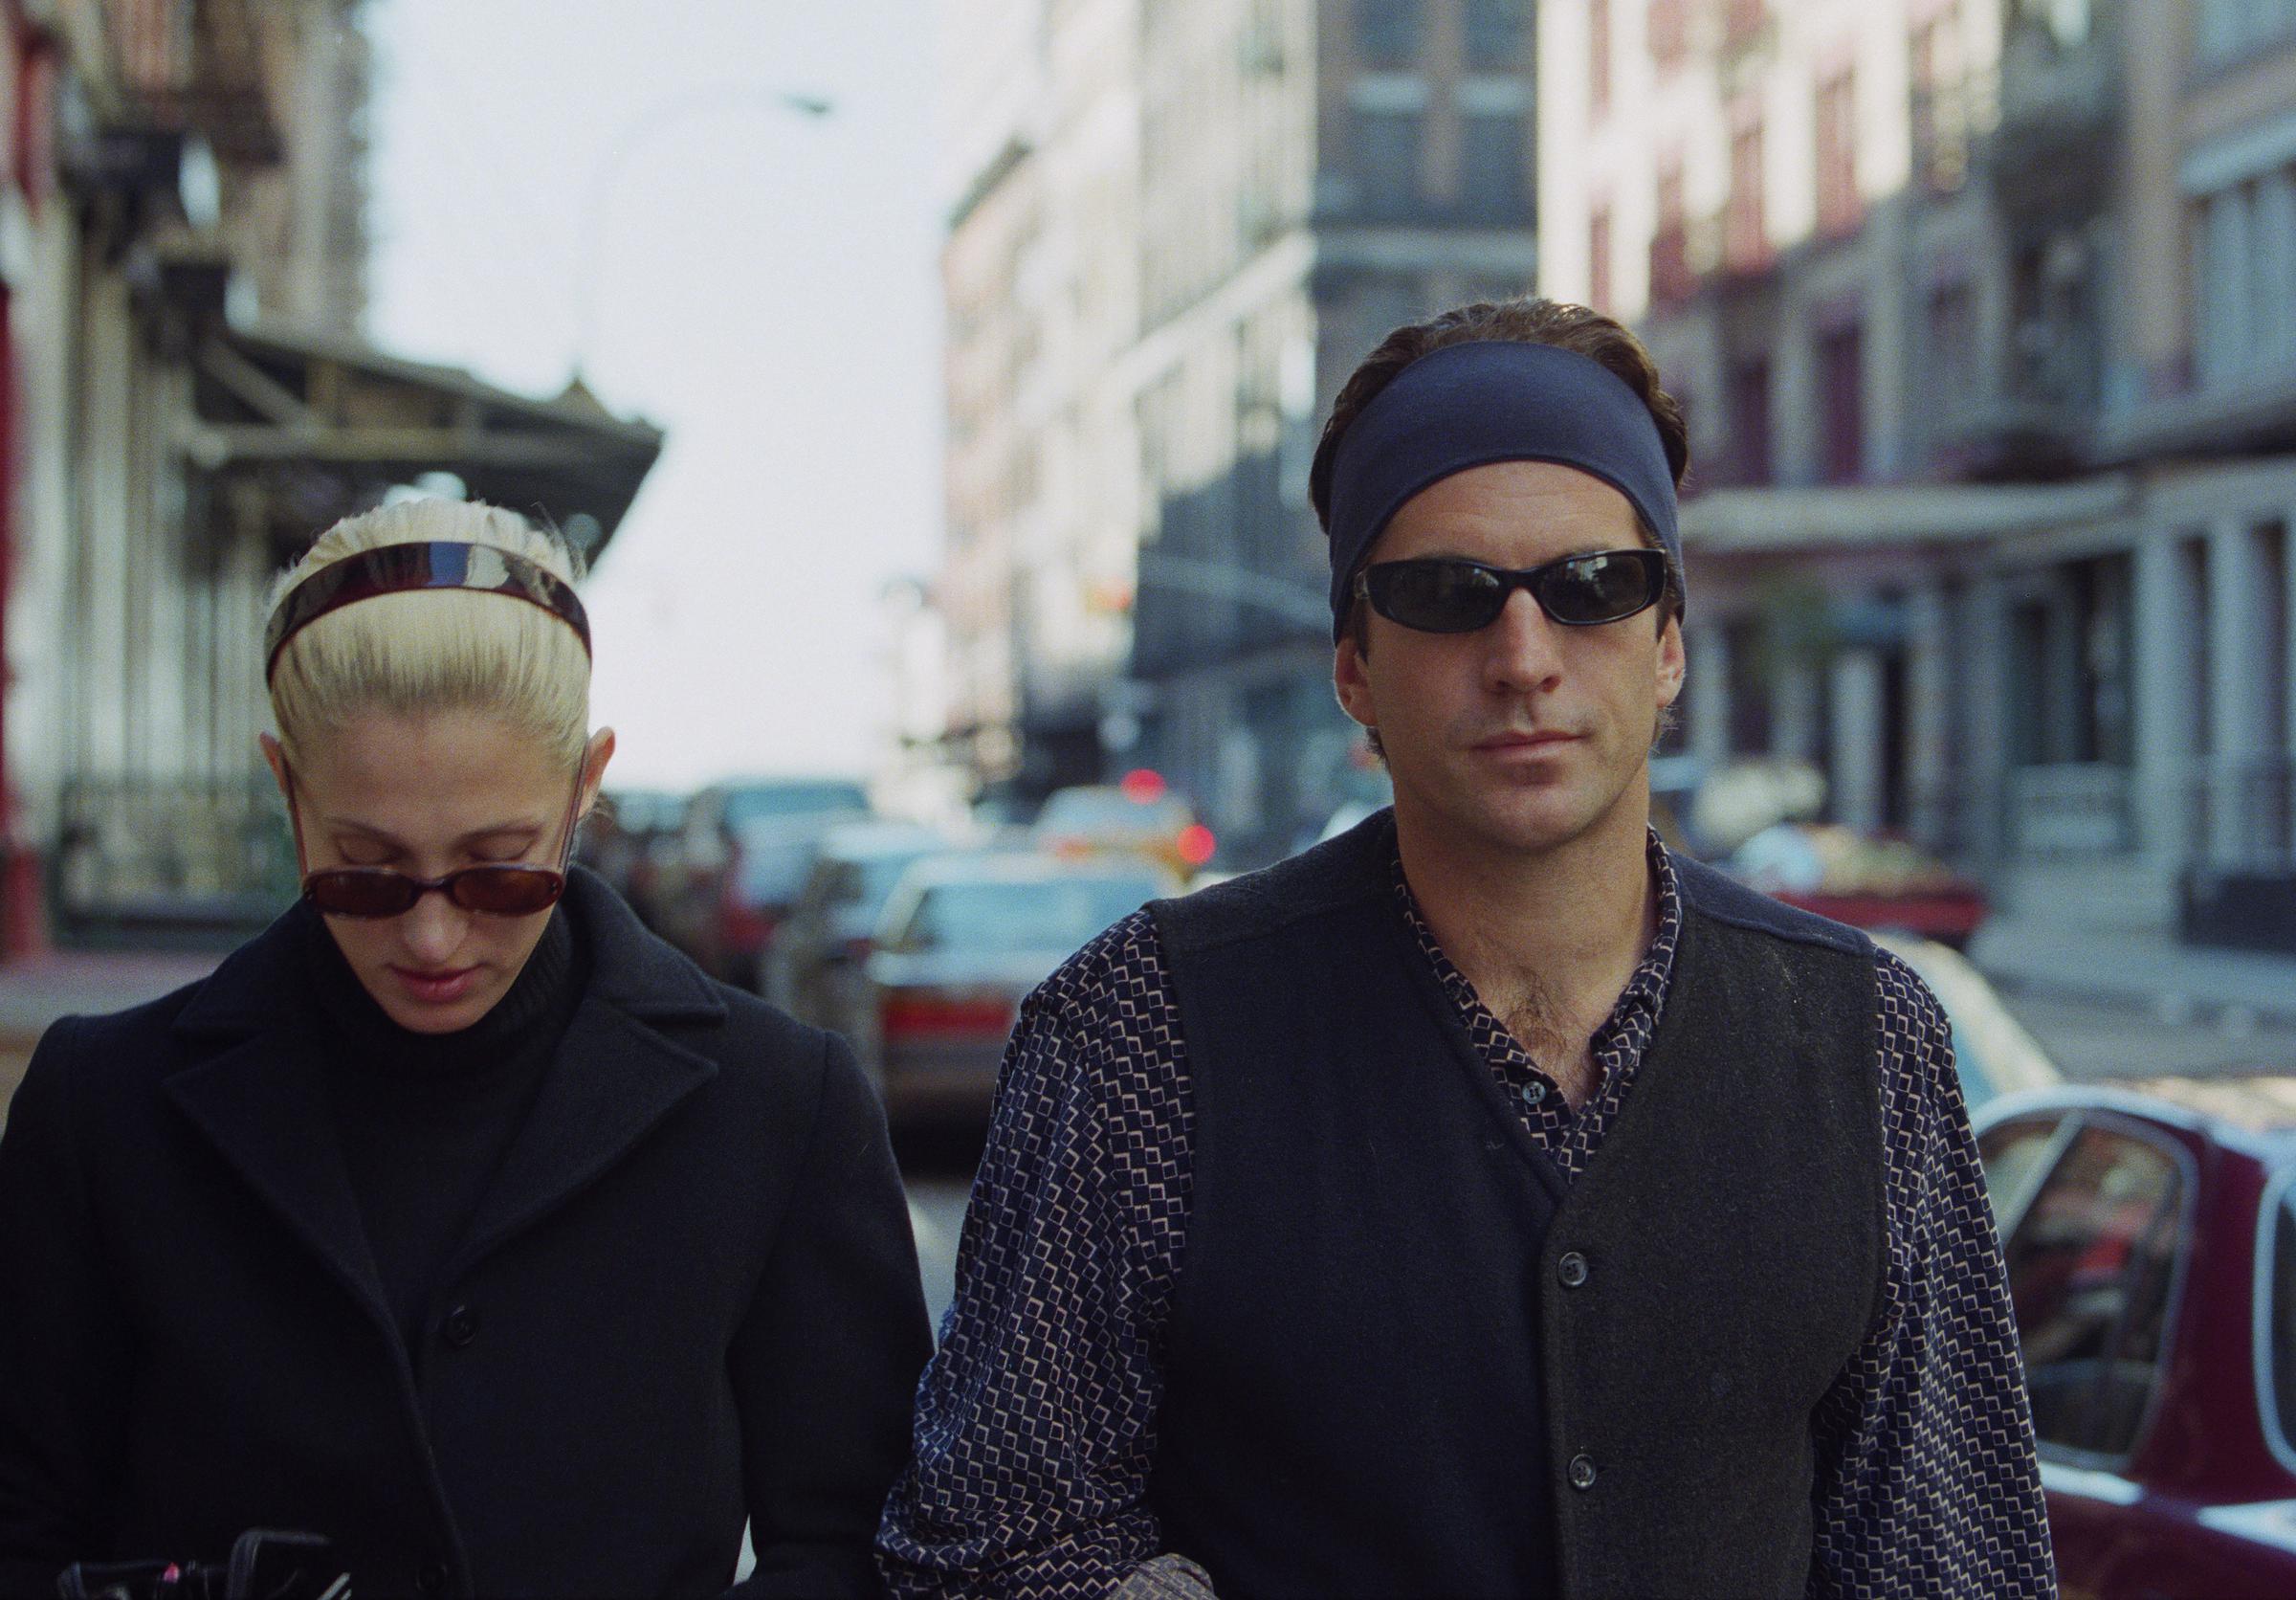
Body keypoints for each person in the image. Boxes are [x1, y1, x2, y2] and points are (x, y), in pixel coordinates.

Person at [878, 299, 2055, 1598]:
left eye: (1591, 587)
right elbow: (990, 1544)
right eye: (1448, 596)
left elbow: (1952, 1560)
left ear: (1667, 644)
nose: (1523, 657)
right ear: (1354, 670)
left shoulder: (1861, 1033)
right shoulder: (1143, 1032)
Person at [0, 500, 932, 1598]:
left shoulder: (778, 1104)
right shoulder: (104, 1106)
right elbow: (21, 1526)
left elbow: (866, 1547)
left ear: (586, 788)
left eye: (499, 869)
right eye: (365, 871)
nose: (433, 933)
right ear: (287, 791)